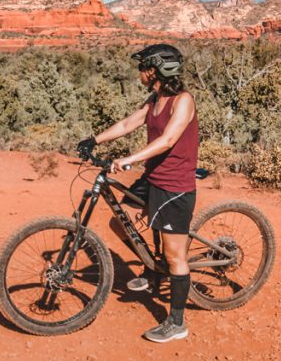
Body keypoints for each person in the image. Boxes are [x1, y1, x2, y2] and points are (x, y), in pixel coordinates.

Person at [76, 43, 198, 343]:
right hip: (152, 177)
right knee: (120, 223)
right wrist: (95, 139)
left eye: (143, 66)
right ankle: (151, 270)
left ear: (156, 69)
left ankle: (176, 322)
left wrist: (128, 160)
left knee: (175, 256)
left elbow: (168, 140)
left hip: (174, 186)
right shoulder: (156, 97)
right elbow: (130, 122)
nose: (140, 72)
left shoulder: (183, 101)